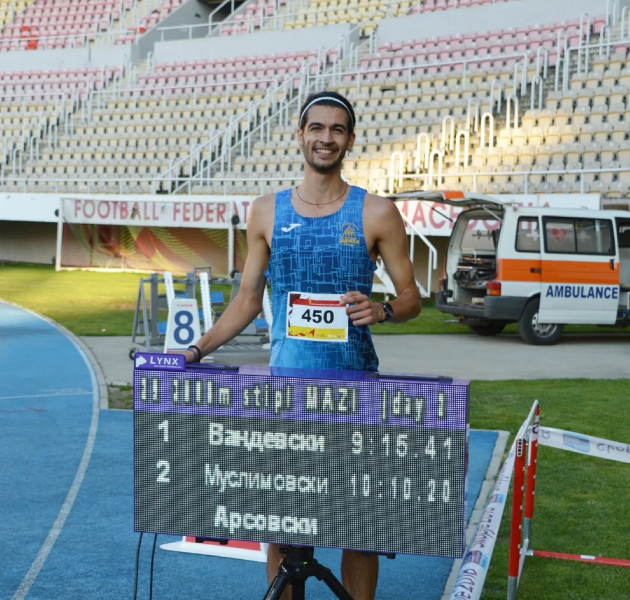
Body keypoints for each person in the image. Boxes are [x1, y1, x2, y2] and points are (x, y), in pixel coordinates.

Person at [182, 90, 422, 600]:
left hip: (355, 390)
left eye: (337, 130)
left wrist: (381, 309)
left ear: (350, 140)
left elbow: (411, 298)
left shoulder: (377, 212)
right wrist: (197, 350)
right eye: (317, 128)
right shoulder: (265, 211)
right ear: (300, 134)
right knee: (285, 525)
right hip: (286, 393)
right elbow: (247, 301)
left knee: (360, 530)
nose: (326, 138)